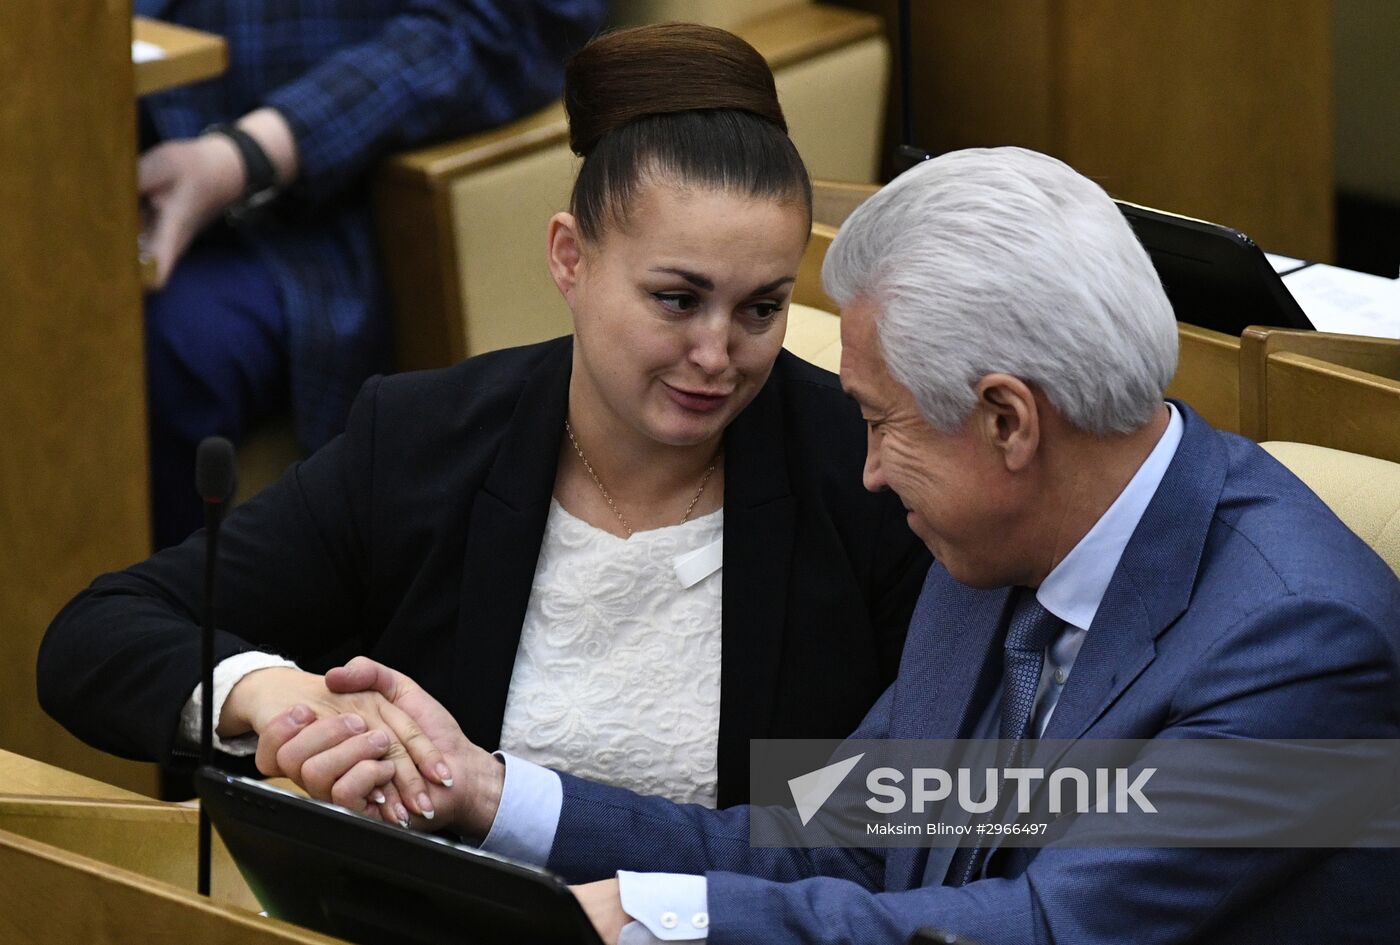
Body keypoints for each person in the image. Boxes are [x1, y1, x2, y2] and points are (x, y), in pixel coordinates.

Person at [289, 147, 1400, 944]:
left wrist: (665, 919)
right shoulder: (995, 549)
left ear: (1006, 421)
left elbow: (1045, 927)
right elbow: (836, 836)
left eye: (879, 423)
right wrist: (492, 795)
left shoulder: (1306, 650)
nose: (866, 471)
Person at [39, 25, 931, 822]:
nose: (716, 354)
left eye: (761, 309)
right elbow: (95, 636)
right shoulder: (424, 439)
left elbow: (967, 801)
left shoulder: (869, 475)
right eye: (676, 299)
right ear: (570, 258)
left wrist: (665, 869)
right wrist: (276, 694)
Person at [137, 0, 608, 548]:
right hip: (108, 166)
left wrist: (249, 154)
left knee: (154, 351)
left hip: (331, 209)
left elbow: (514, 23)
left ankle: (160, 602)